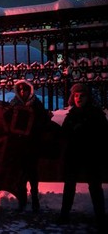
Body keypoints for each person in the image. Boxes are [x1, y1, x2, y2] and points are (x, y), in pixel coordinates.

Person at [58, 84, 107, 232]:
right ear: (73, 98)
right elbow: (64, 134)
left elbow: (103, 134)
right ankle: (64, 215)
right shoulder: (71, 114)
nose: (79, 98)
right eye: (76, 96)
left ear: (88, 97)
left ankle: (100, 218)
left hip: (91, 155)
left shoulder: (96, 114)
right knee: (69, 185)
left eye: (82, 95)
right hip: (74, 156)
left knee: (95, 187)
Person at [7, 80, 51, 213]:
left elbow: (42, 121)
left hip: (32, 144)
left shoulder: (36, 104)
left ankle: (35, 199)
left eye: (25, 90)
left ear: (29, 90)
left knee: (32, 174)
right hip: (19, 145)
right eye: (20, 90)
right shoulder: (14, 104)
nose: (22, 92)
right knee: (20, 175)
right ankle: (22, 200)